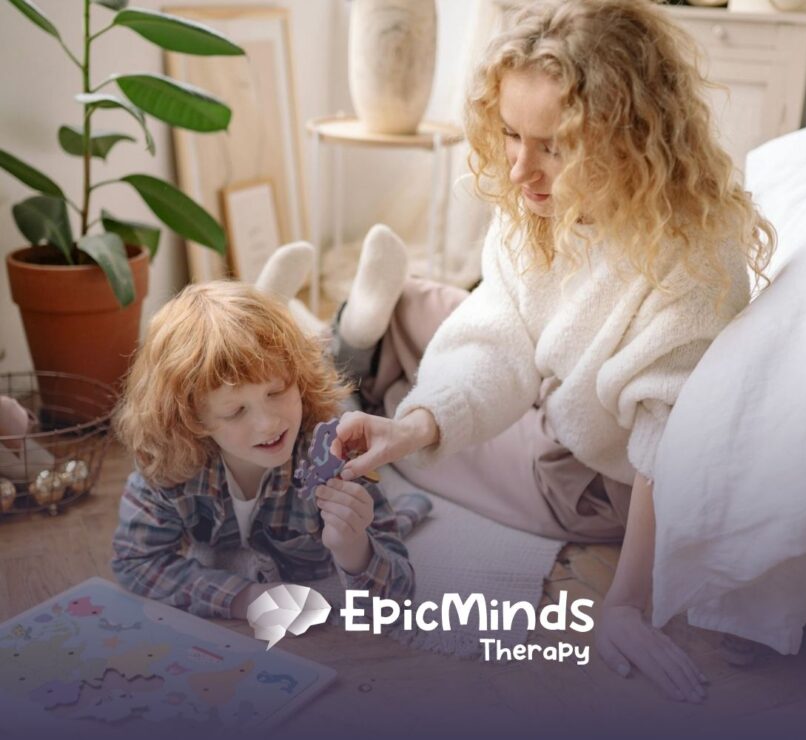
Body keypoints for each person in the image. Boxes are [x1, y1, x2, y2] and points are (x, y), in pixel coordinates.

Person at [265, 0, 775, 701]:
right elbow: (498, 331)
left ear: (629, 137)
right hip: (553, 387)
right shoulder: (536, 204)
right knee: (422, 308)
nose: (520, 170)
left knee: (422, 431)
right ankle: (361, 358)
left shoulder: (687, 254)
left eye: (554, 146)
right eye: (510, 134)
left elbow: (663, 442)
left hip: (594, 477)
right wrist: (415, 423)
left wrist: (624, 602)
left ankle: (351, 367)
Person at [111, 281, 415, 620]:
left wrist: (354, 549)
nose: (268, 424)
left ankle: (349, 327)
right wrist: (244, 598)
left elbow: (396, 598)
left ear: (296, 380)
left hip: (332, 400)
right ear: (189, 419)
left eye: (277, 392)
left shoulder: (335, 450)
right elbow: (136, 561)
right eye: (235, 412)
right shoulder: (170, 465)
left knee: (353, 384)